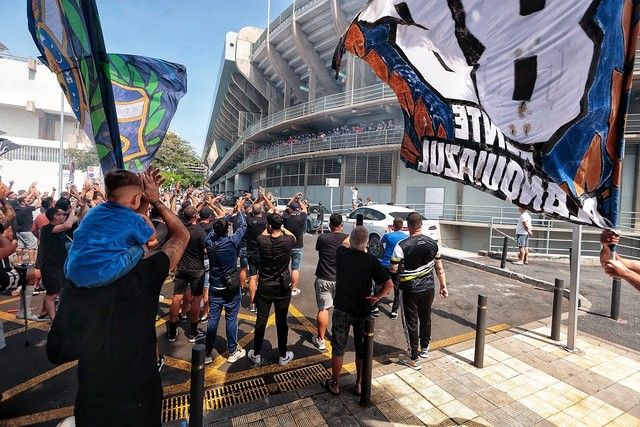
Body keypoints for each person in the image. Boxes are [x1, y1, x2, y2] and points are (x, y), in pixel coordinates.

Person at [49, 167, 189, 425]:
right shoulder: (143, 275)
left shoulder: (80, 280)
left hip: (92, 394)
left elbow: (121, 222)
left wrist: (140, 201)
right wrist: (155, 200)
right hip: (136, 396)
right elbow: (181, 235)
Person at [324, 226, 393, 396]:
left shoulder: (341, 253)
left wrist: (354, 234)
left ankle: (335, 383)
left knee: (338, 348)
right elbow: (389, 284)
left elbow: (345, 242)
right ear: (367, 243)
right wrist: (377, 296)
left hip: (341, 308)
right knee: (361, 349)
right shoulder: (370, 260)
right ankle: (359, 384)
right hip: (362, 309)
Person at [64, 170, 156, 287]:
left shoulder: (93, 211)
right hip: (99, 276)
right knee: (141, 247)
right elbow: (152, 237)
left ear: (106, 195)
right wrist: (144, 217)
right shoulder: (133, 218)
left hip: (72, 271)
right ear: (135, 199)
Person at [390, 212, 448, 370]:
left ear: (408, 226)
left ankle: (413, 358)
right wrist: (443, 286)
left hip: (409, 289)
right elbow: (439, 267)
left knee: (411, 321)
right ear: (420, 225)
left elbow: (394, 268)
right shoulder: (433, 243)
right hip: (429, 287)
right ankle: (425, 348)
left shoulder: (402, 245)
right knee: (425, 316)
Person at [248, 213, 296, 366]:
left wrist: (268, 227)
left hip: (265, 286)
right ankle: (282, 355)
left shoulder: (262, 240)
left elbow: (262, 234)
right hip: (283, 286)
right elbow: (293, 236)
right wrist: (281, 227)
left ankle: (256, 353)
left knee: (261, 320)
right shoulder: (288, 240)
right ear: (280, 226)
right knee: (281, 322)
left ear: (268, 226)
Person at [204, 197, 247, 364]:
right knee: (231, 319)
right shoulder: (231, 242)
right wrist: (239, 210)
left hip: (215, 286)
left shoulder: (209, 241)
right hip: (230, 286)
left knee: (213, 319)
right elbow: (243, 227)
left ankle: (207, 352)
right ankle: (232, 350)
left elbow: (214, 230)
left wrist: (227, 218)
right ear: (226, 230)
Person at [39, 200, 86, 322]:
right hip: (51, 266)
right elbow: (68, 225)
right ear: (54, 216)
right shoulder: (48, 229)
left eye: (65, 214)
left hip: (60, 265)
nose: (64, 216)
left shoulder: (59, 226)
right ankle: (54, 322)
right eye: (61, 214)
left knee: (60, 291)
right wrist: (74, 206)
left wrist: (82, 206)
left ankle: (56, 316)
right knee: (51, 295)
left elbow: (80, 216)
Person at [167, 205, 208, 343]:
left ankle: (172, 332)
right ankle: (193, 332)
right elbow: (205, 250)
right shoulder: (199, 231)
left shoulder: (179, 229)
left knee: (176, 298)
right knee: (196, 299)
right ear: (195, 216)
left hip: (181, 268)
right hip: (197, 269)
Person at [312, 213, 349, 350]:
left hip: (324, 277)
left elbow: (318, 250)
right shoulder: (347, 239)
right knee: (339, 309)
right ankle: (337, 337)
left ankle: (320, 340)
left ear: (330, 225)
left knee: (323, 309)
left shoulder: (322, 238)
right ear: (342, 225)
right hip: (341, 279)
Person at [245, 191, 274, 312]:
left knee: (252, 277)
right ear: (261, 211)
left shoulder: (249, 220)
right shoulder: (265, 220)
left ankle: (252, 303)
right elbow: (272, 207)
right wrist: (264, 198)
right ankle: (260, 303)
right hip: (264, 252)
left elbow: (249, 209)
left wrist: (257, 198)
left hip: (252, 252)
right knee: (262, 278)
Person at [379, 217, 407, 319]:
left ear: (393, 225)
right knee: (397, 287)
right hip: (398, 265)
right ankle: (394, 310)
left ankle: (375, 307)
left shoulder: (388, 235)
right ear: (402, 226)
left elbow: (380, 243)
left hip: (386, 264)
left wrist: (387, 232)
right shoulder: (406, 237)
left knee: (380, 283)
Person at [282, 195, 307, 296]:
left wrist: (293, 198)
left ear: (290, 210)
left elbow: (287, 207)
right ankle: (293, 288)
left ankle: (283, 284)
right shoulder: (301, 218)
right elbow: (305, 208)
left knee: (284, 267)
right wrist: (299, 200)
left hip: (287, 245)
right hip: (298, 246)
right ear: (298, 209)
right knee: (295, 268)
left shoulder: (286, 217)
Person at [14, 194, 40, 265]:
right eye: (27, 201)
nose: (29, 202)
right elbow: (39, 204)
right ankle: (32, 262)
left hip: (19, 231)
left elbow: (29, 203)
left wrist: (32, 196)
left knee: (20, 247)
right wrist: (38, 196)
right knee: (31, 247)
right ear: (22, 202)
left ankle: (19, 262)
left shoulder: (16, 209)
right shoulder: (27, 209)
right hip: (27, 230)